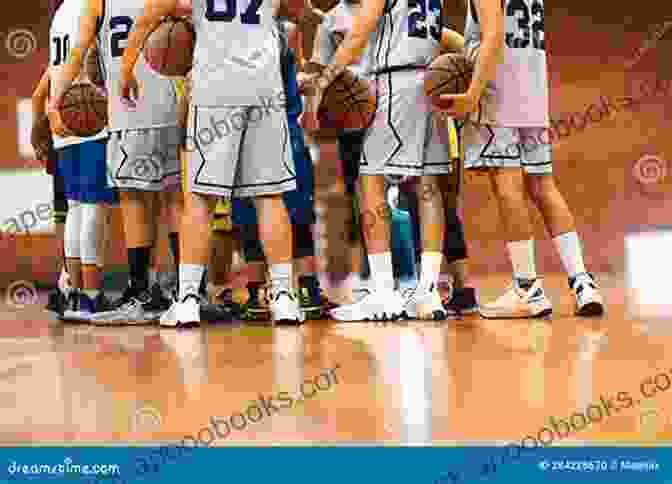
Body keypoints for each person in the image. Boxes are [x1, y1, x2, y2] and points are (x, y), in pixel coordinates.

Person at [120, 0, 306, 326]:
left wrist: (125, 69)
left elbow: (150, 13)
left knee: (199, 201)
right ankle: (284, 298)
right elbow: (295, 10)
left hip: (215, 90)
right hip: (265, 89)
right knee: (270, 198)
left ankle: (189, 299)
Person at [435, 0, 604, 318]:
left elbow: (494, 36)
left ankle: (527, 288)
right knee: (543, 186)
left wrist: (472, 94)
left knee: (507, 187)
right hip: (533, 95)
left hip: (498, 97)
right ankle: (582, 282)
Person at [303, 0, 465, 321]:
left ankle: (382, 293)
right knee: (428, 186)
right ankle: (428, 292)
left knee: (370, 182)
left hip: (396, 86)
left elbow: (358, 34)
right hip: (431, 84)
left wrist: (322, 84)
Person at [50, 0, 184, 324]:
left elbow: (80, 51)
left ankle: (139, 293)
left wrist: (56, 102)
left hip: (129, 110)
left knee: (133, 200)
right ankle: (188, 290)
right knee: (175, 200)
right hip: (172, 107)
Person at [38, 1, 117, 321]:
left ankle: (74, 294)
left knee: (76, 206)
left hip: (63, 118)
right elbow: (88, 60)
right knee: (94, 206)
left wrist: (51, 109)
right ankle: (92, 296)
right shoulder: (91, 6)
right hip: (89, 115)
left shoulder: (60, 12)